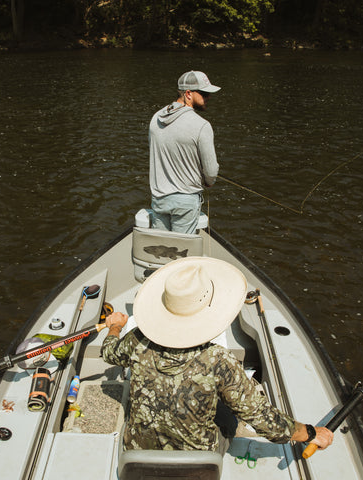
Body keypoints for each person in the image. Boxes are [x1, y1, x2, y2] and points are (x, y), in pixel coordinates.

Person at [101, 256, 334, 454]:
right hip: (197, 467)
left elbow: (109, 353)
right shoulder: (218, 360)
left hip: (138, 458)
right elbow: (262, 419)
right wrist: (310, 434)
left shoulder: (138, 339)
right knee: (230, 415)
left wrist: (115, 327)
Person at [148, 71, 220, 234]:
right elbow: (211, 173)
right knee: (181, 254)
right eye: (204, 93)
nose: (208, 97)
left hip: (159, 199)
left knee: (163, 249)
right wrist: (208, 181)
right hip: (186, 203)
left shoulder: (156, 118)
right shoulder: (202, 125)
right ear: (188, 94)